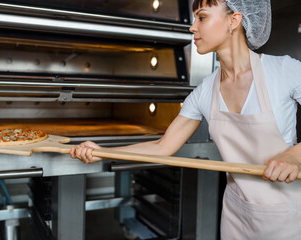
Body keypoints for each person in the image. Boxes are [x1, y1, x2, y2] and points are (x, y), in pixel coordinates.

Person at [70, 0, 301, 238]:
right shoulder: (205, 91)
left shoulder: (282, 71)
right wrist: (102, 151)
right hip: (235, 214)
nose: (192, 27)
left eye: (201, 17)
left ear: (234, 20)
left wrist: (293, 156)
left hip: (285, 216)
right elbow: (163, 147)